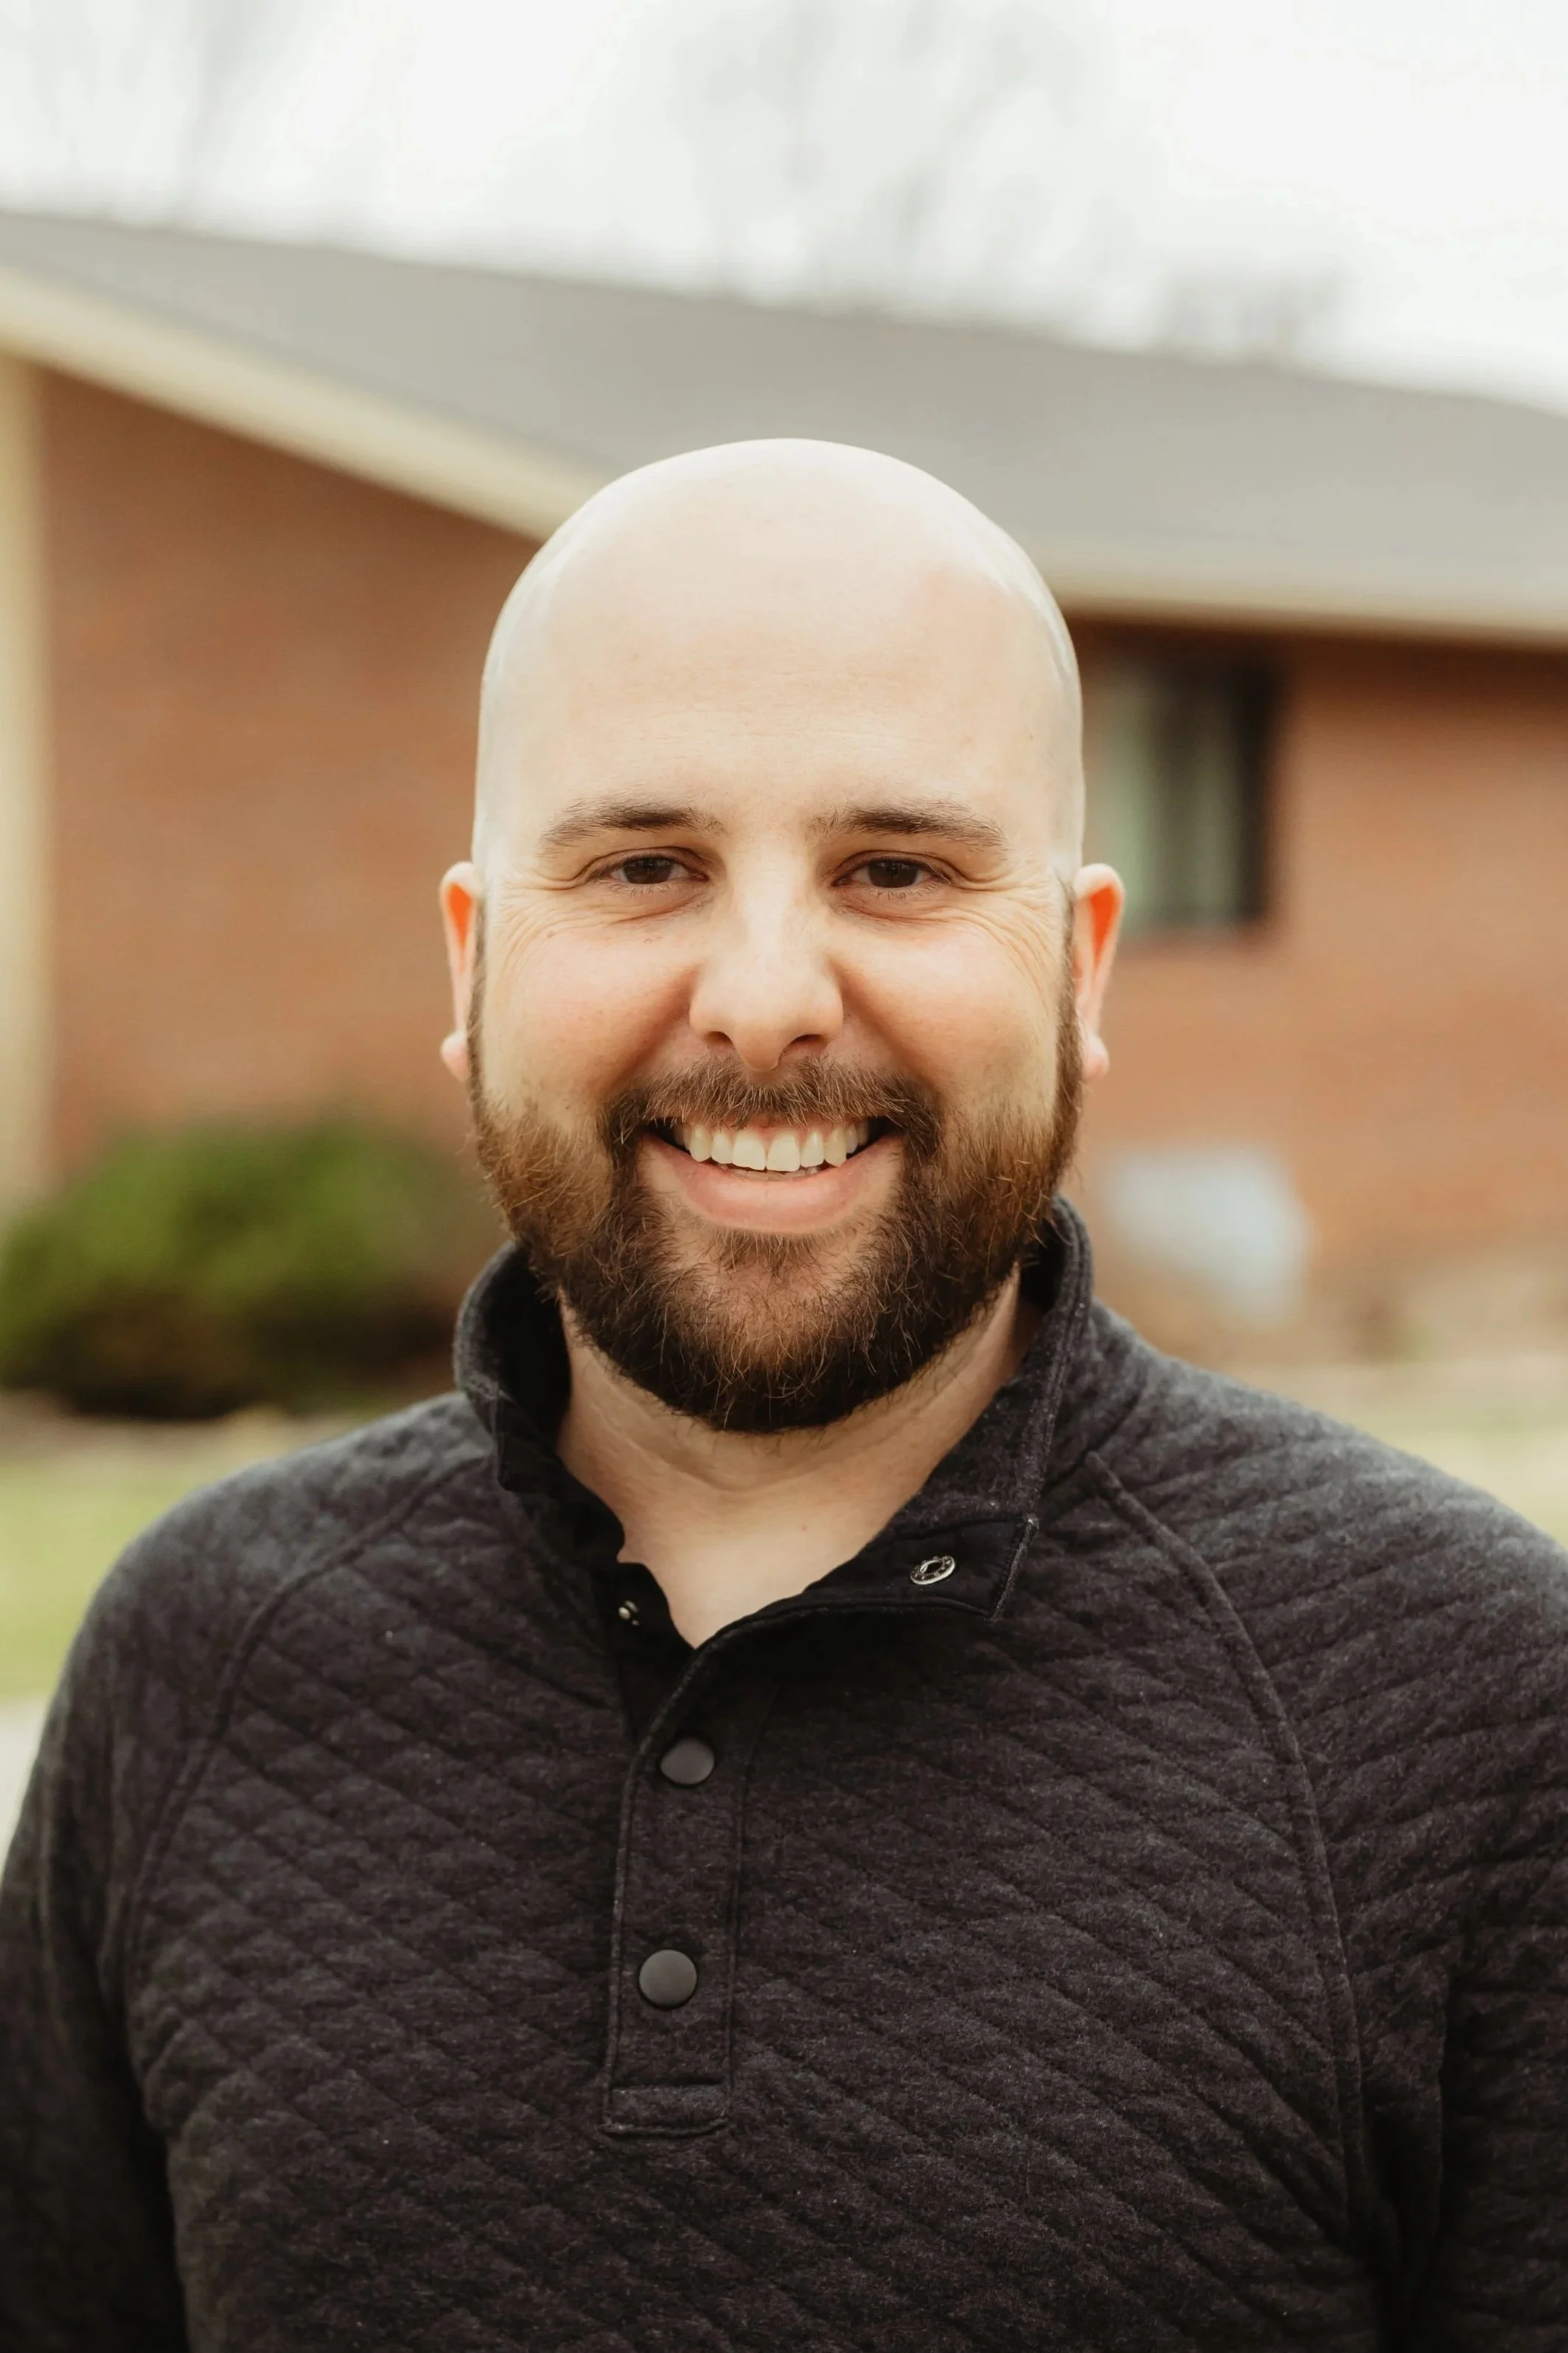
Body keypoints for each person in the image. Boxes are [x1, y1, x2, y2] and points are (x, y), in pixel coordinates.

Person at [1, 439, 1565, 2353]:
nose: (762, 997)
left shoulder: (1465, 1709)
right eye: (644, 865)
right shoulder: (195, 1663)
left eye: (894, 869)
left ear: (1078, 964)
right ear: (473, 961)